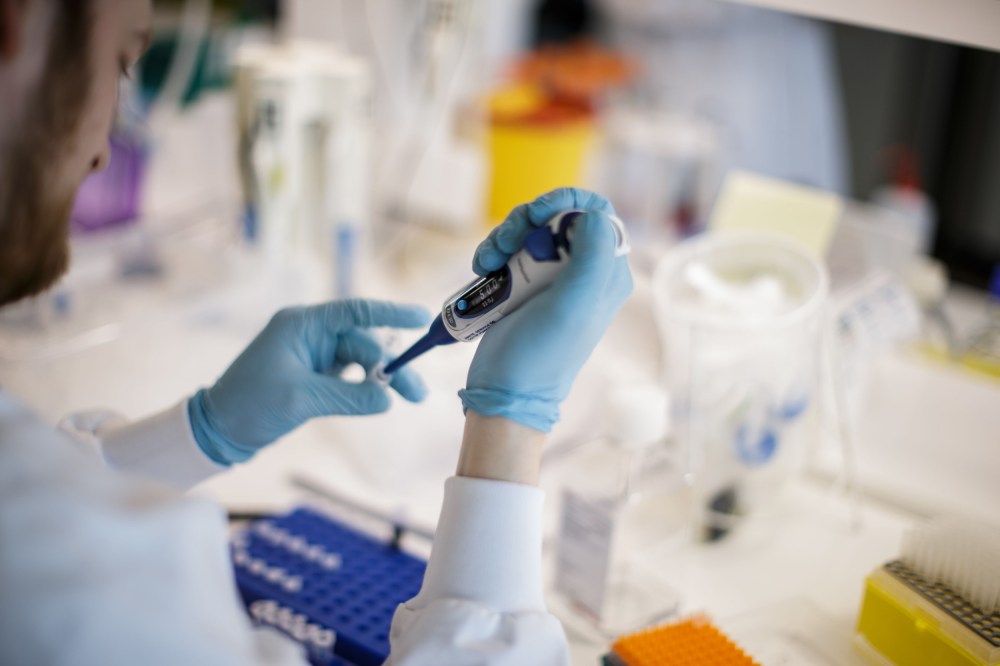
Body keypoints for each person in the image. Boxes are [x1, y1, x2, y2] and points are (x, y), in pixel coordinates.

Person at [0, 1, 633, 664]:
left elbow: (49, 492)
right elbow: (63, 541)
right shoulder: (99, 599)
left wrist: (198, 432)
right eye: (122, 65)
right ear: (13, 23)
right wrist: (512, 423)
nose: (105, 150)